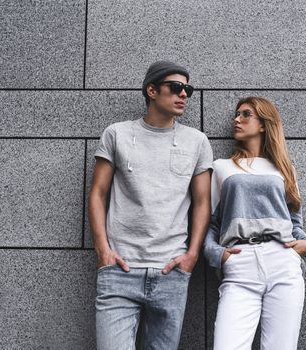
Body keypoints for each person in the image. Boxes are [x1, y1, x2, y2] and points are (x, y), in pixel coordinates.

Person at [89, 61, 213, 350]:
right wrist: (102, 251)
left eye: (188, 89)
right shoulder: (116, 134)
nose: (184, 95)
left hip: (171, 271)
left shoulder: (196, 141)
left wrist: (191, 255)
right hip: (120, 270)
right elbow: (97, 193)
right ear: (152, 90)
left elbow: (203, 202)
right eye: (176, 87)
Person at [203, 96, 306, 350]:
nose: (236, 119)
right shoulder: (222, 168)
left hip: (283, 262)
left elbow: (294, 221)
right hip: (239, 265)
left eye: (245, 114)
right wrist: (216, 254)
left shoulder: (284, 169)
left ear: (264, 124)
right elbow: (211, 223)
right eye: (236, 114)